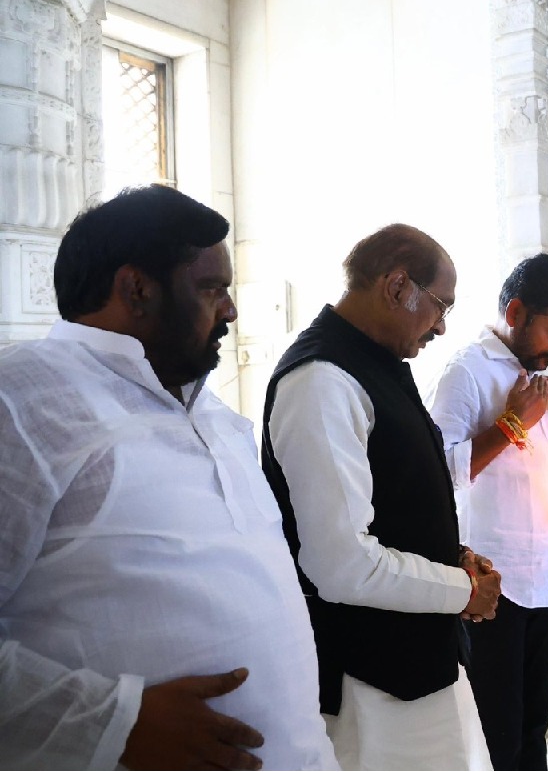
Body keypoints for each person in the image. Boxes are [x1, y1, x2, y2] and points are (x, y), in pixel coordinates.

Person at [0, 185, 337, 770]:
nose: (230, 309)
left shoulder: (220, 420)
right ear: (137, 288)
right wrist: (113, 721)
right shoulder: (26, 398)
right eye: (212, 288)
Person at [261, 224, 501, 771]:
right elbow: (341, 565)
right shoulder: (321, 381)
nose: (441, 326)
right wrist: (461, 588)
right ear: (397, 287)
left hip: (421, 660)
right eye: (441, 306)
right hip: (370, 685)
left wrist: (453, 557)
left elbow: (396, 496)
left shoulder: (377, 361)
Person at [426, 253, 548, 771]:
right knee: (496, 735)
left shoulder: (537, 373)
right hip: (492, 587)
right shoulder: (466, 373)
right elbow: (440, 471)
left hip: (543, 575)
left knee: (531, 729)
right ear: (517, 312)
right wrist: (514, 423)